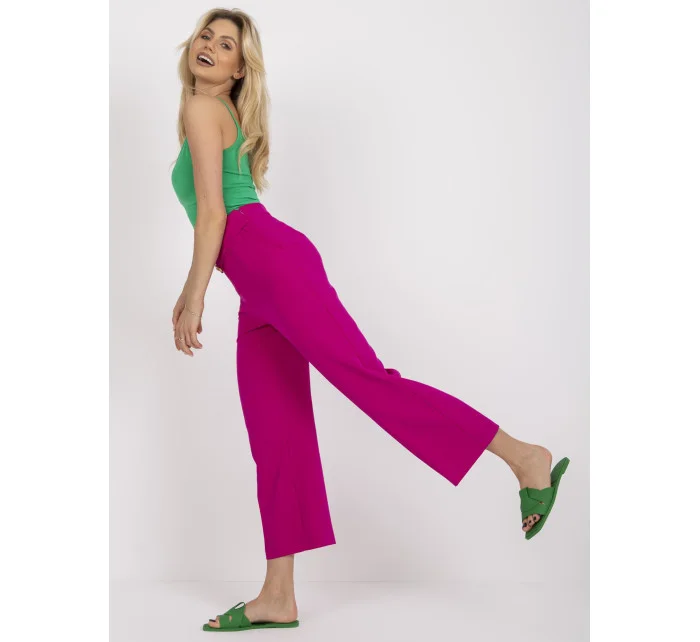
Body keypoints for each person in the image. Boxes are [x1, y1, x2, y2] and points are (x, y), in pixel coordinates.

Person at [169, 8, 570, 633]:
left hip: (271, 265)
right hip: (259, 281)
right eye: (207, 37)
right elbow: (218, 215)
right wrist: (204, 286)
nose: (211, 47)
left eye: (227, 46)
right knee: (276, 431)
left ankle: (523, 456)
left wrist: (193, 293)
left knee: (370, 382)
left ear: (240, 70)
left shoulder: (202, 107)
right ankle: (278, 596)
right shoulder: (205, 110)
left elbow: (215, 215)